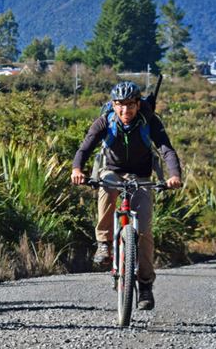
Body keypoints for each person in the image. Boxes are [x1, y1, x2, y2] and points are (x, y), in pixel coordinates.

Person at [71, 80, 183, 310]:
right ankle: (104, 243)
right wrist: (77, 170)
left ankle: (144, 285)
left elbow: (166, 149)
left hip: (141, 177)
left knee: (143, 230)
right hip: (112, 172)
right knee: (107, 187)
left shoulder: (149, 121)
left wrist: (174, 175)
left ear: (139, 104)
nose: (125, 110)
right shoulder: (105, 121)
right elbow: (85, 147)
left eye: (130, 105)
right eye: (120, 105)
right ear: (113, 105)